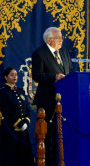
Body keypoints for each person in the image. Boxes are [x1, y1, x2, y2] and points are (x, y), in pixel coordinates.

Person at [32, 27, 73, 166]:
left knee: (61, 133)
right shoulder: (40, 53)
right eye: (58, 38)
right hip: (48, 100)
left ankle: (62, 159)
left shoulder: (65, 53)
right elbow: (37, 75)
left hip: (64, 100)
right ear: (49, 40)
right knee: (49, 135)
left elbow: (71, 71)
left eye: (61, 37)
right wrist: (54, 76)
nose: (62, 40)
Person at [0, 67, 33, 166]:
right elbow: (6, 111)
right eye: (12, 75)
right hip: (11, 130)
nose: (15, 77)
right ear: (6, 77)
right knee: (12, 157)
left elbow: (28, 109)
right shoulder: (3, 92)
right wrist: (19, 124)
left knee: (24, 157)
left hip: (23, 130)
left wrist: (26, 122)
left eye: (16, 74)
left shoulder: (21, 91)